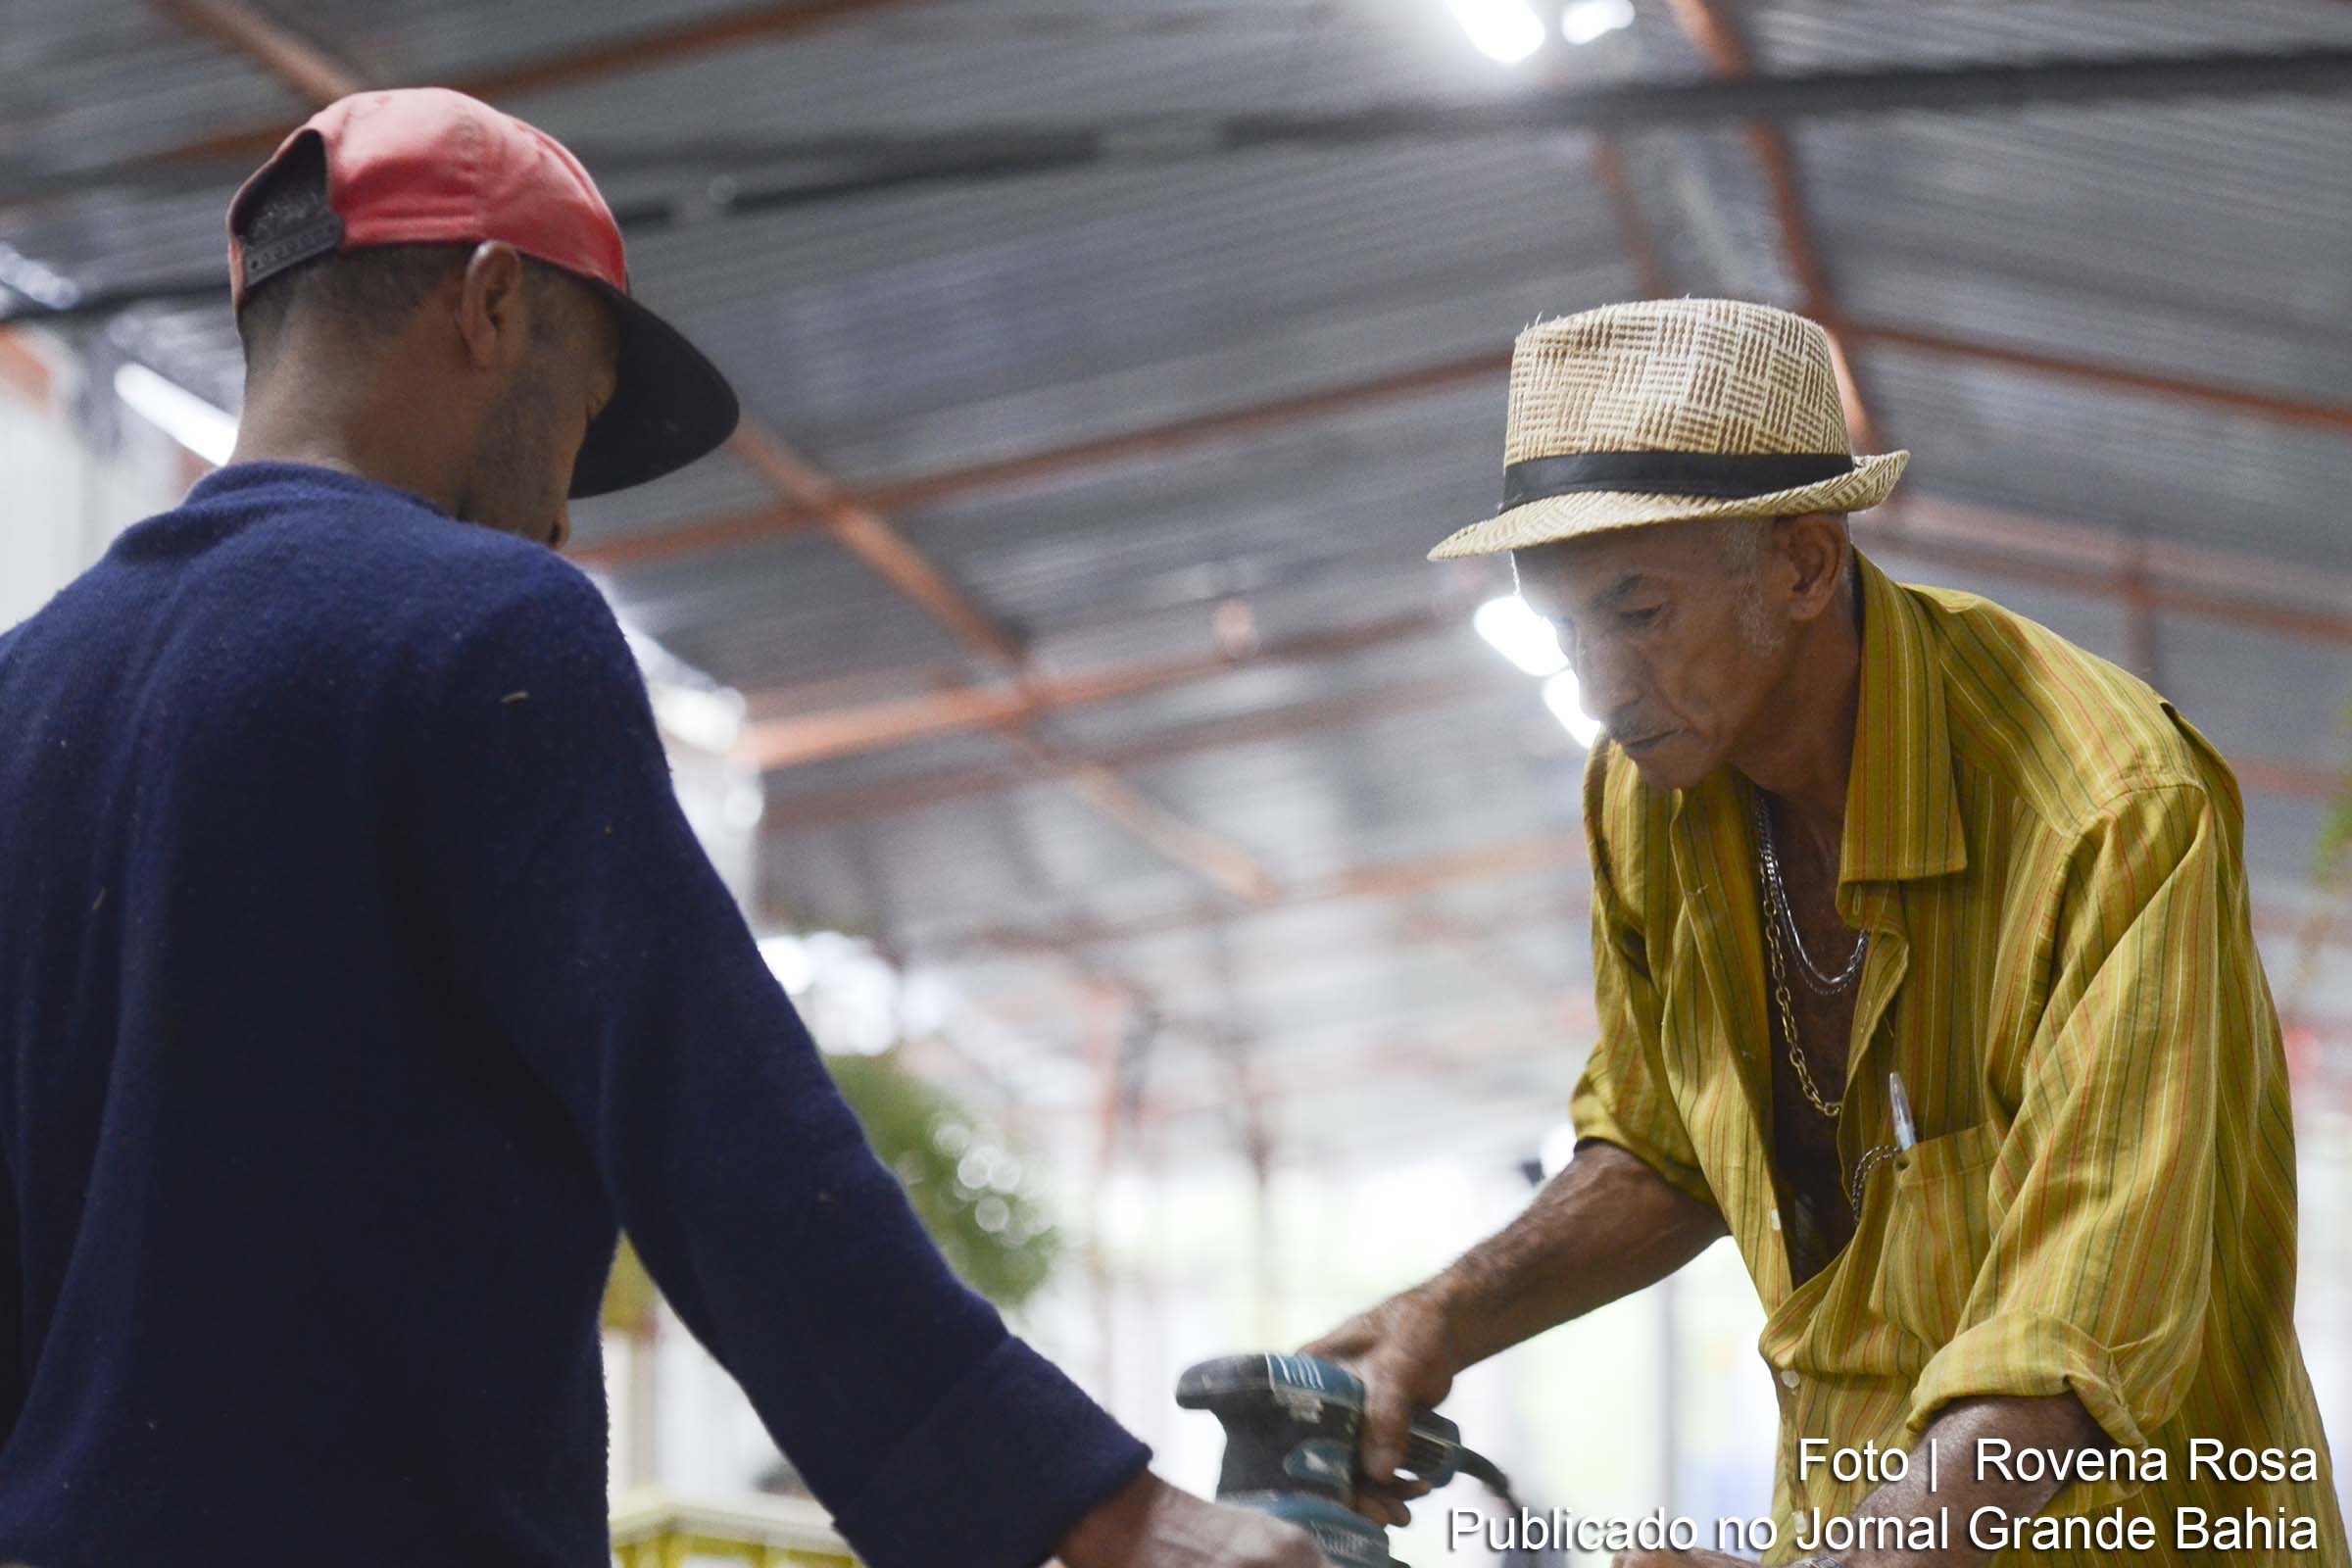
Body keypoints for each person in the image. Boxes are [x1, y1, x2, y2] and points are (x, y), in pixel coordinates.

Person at [0, 87, 1321, 1568]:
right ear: (491, 305)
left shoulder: (26, 686)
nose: (564, 518)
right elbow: (721, 1129)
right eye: (576, 419)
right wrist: (1103, 1515)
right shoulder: (482, 628)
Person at [1307, 298, 2349, 1568]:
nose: (1600, 687)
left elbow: (2071, 1337)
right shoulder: (1649, 803)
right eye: (1563, 627)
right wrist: (1441, 1317)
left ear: (1804, 566)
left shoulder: (2110, 812)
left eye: (1638, 614)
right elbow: (1662, 1146)